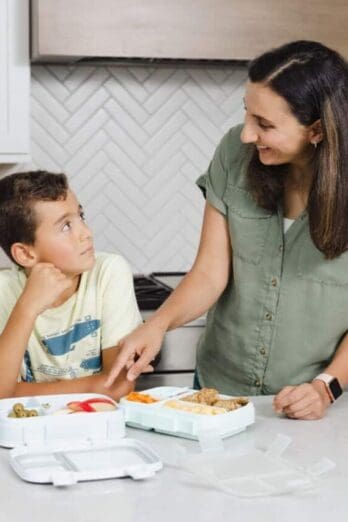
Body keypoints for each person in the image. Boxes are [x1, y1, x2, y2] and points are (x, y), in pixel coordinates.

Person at [106, 40, 348, 420]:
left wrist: (326, 386)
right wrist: (158, 324)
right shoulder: (235, 155)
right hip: (218, 392)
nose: (247, 134)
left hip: (312, 404)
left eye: (264, 124)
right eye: (247, 113)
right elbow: (210, 272)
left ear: (316, 130)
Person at [0, 170, 144, 399]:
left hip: (98, 428)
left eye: (81, 216)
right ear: (26, 254)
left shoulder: (108, 272)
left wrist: (17, 391)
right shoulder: (4, 290)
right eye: (66, 226)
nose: (87, 233)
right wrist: (27, 307)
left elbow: (118, 385)